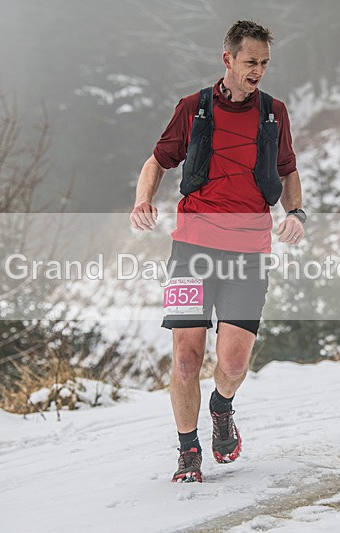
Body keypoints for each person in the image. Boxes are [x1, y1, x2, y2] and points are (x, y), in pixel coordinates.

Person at [130, 20, 306, 483]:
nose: (258, 71)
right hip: (191, 250)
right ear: (228, 59)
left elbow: (287, 170)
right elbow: (157, 161)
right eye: (250, 62)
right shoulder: (194, 109)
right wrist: (143, 199)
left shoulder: (274, 113)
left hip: (249, 253)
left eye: (264, 63)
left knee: (232, 363)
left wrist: (296, 213)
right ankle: (188, 450)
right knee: (186, 358)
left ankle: (222, 407)